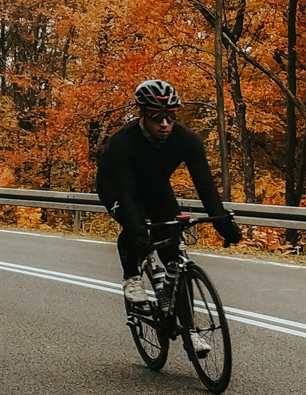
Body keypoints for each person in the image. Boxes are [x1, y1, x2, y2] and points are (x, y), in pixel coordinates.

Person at [95, 80, 243, 305]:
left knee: (171, 241)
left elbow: (206, 186)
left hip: (156, 186)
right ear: (143, 115)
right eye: (156, 117)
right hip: (116, 186)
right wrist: (138, 230)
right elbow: (127, 192)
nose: (165, 124)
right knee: (136, 228)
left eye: (171, 116)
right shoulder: (124, 141)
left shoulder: (186, 140)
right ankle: (132, 278)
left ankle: (172, 301)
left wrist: (223, 224)